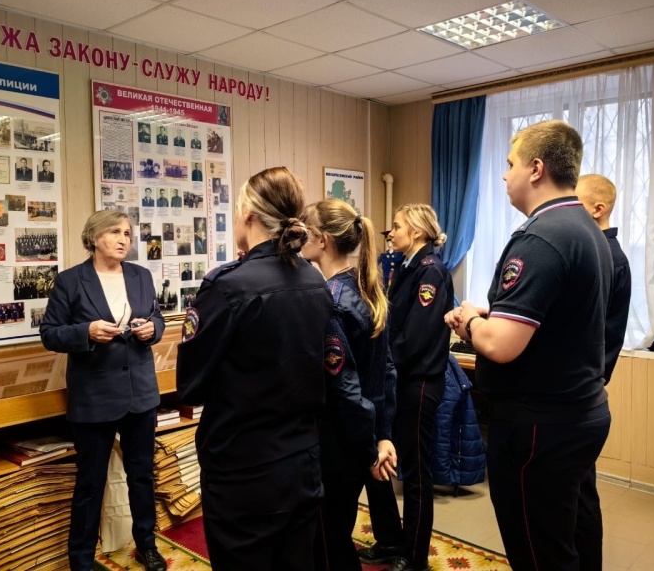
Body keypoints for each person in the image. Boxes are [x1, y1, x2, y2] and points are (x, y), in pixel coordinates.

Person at [444, 120, 613, 571]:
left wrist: (469, 321)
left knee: (537, 551)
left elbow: (500, 345)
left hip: (539, 427)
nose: (504, 175)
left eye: (510, 163)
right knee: (569, 538)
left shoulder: (541, 237)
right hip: (578, 413)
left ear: (536, 169)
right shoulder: (587, 230)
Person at [176, 167, 333, 570]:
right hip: (302, 458)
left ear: (248, 214)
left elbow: (190, 386)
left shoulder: (228, 286)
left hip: (245, 469)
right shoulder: (315, 280)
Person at [40, 209, 168, 571]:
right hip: (94, 397)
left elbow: (157, 317)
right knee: (90, 483)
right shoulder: (70, 281)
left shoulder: (142, 276)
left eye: (128, 232)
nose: (124, 238)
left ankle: (148, 545)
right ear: (94, 237)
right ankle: (81, 560)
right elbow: (50, 333)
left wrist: (151, 330)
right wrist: (86, 332)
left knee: (142, 476)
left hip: (140, 393)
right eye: (115, 231)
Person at [300, 199, 398, 571]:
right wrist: (383, 435)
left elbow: (346, 390)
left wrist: (370, 448)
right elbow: (386, 371)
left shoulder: (333, 302)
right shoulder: (366, 290)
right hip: (361, 437)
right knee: (335, 534)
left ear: (322, 240)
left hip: (340, 443)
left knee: (327, 544)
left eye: (305, 233)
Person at [360, 204, 454, 571]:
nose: (391, 232)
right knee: (378, 462)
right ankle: (389, 539)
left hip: (416, 384)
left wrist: (378, 364)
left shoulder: (431, 272)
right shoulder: (406, 266)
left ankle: (413, 556)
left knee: (415, 475)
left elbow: (412, 338)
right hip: (396, 381)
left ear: (415, 232)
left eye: (396, 227)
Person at [574, 173, 632, 568]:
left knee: (579, 497)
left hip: (579, 394)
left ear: (598, 208)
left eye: (575, 202)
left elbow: (597, 341)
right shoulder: (591, 249)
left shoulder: (608, 258)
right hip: (579, 390)